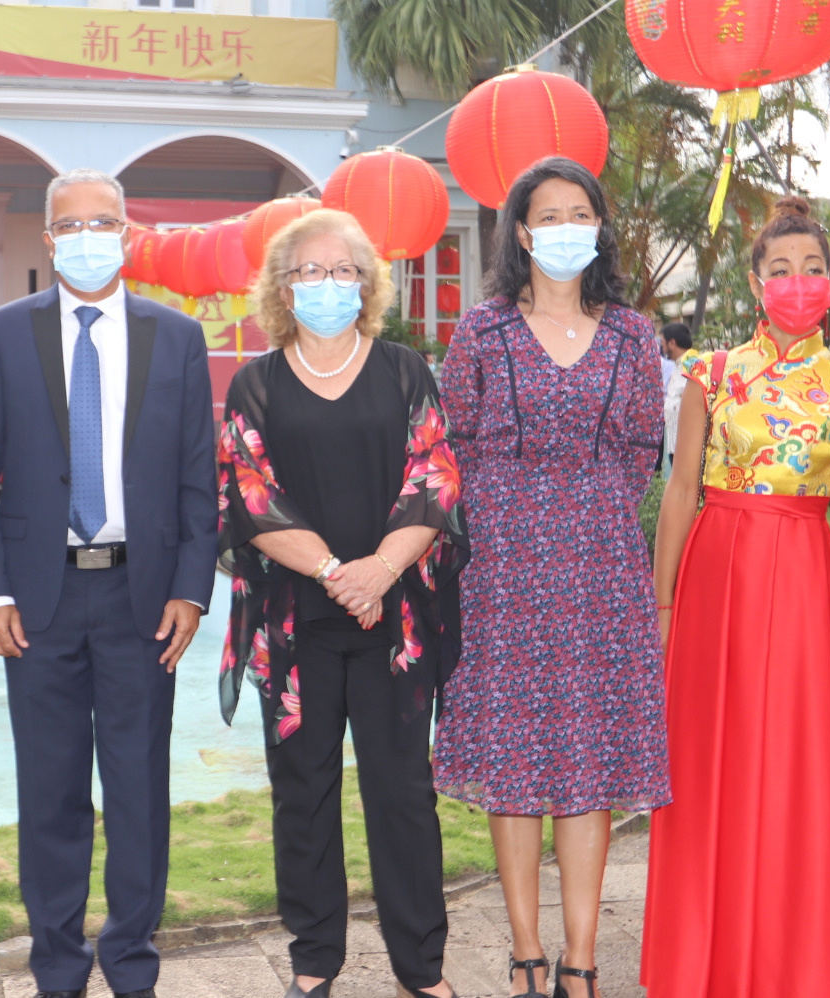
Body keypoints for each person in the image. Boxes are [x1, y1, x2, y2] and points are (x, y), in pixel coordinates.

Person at [642, 196, 830, 998]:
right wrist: (663, 606)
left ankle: (804, 964)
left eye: (812, 269)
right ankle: (709, 963)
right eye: (780, 270)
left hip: (805, 584)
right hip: (714, 579)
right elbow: (681, 489)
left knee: (802, 771)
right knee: (708, 770)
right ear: (755, 282)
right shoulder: (710, 372)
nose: (797, 282)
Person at [0, 169, 217, 998]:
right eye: (70, 226)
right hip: (37, 601)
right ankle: (58, 968)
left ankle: (134, 965)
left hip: (144, 598)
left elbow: (194, 478)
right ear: (46, 239)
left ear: (128, 231)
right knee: (51, 792)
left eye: (103, 222)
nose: (88, 237)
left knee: (140, 789)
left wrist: (192, 587)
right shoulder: (1, 333)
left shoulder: (175, 337)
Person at [432, 157, 669, 998]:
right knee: (515, 764)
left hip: (602, 574)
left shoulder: (634, 336)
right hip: (501, 577)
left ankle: (580, 959)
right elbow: (452, 445)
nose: (566, 227)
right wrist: (523, 518)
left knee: (588, 766)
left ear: (598, 227)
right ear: (522, 233)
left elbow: (644, 451)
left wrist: (582, 516)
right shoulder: (483, 332)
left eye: (582, 212)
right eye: (548, 215)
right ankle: (525, 950)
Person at [216, 208, 465, 998]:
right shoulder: (255, 383)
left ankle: (419, 968)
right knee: (304, 793)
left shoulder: (402, 370)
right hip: (296, 628)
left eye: (343, 270)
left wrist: (380, 572)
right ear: (283, 289)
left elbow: (434, 475)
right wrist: (336, 573)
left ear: (367, 283)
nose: (328, 285)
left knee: (401, 794)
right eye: (310, 272)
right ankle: (314, 958)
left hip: (395, 622)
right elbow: (248, 497)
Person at [658, 322, 693, 476]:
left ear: (672, 343)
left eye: (663, 343)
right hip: (675, 441)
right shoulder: (677, 366)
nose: (662, 348)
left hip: (687, 443)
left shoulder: (694, 365)